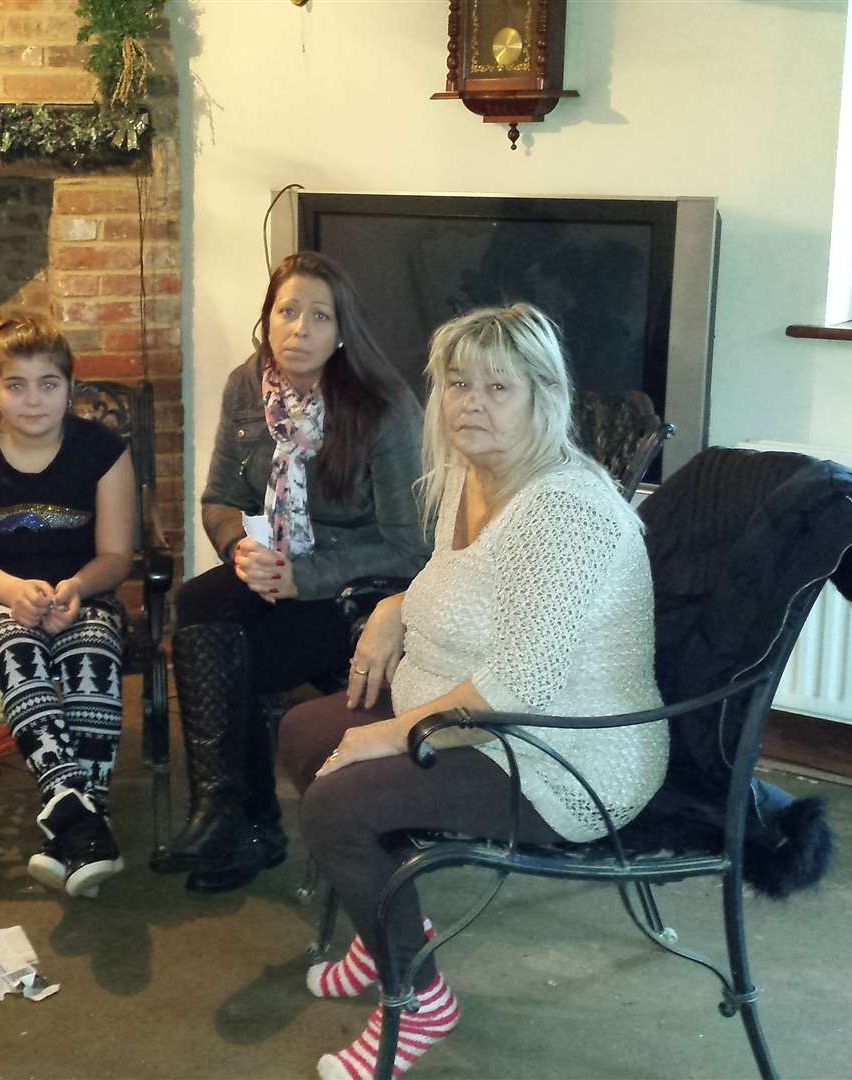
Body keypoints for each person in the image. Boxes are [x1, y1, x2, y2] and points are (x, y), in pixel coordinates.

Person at [276, 304, 669, 1080]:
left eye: (499, 386)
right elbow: (456, 583)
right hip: (478, 713)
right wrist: (392, 611)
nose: (471, 404)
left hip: (562, 754)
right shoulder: (470, 471)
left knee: (337, 803)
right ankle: (388, 930)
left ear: (544, 396)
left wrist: (382, 735)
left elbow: (520, 685)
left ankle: (419, 1000)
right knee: (301, 734)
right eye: (458, 384)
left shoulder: (564, 510)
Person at [155, 252, 431, 894]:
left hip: (356, 594)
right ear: (267, 319)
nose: (300, 328)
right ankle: (222, 808)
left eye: (319, 315)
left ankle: (249, 824)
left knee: (234, 653)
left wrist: (304, 578)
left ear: (341, 333)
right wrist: (237, 550)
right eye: (288, 311)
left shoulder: (383, 406)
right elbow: (219, 497)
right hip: (275, 563)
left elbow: (409, 547)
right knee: (199, 604)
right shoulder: (245, 387)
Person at [0, 316, 138, 898]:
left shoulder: (101, 450)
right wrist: (11, 591)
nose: (33, 399)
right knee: (15, 642)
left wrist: (76, 587)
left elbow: (116, 554)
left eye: (48, 383)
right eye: (17, 385)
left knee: (92, 647)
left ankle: (71, 832)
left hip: (84, 595)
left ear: (69, 389)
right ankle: (83, 823)